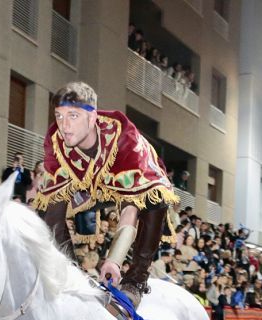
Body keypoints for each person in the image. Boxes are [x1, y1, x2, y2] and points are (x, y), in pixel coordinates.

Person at [35, 82, 177, 306]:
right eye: (59, 116)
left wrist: (114, 261)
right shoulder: (55, 140)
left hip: (131, 181)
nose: (64, 125)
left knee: (155, 199)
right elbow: (55, 211)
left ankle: (137, 280)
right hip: (89, 186)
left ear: (92, 118)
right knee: (45, 211)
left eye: (73, 116)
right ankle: (73, 278)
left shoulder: (124, 138)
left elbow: (130, 208)